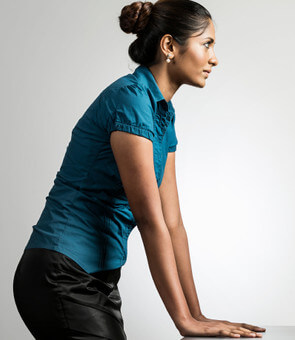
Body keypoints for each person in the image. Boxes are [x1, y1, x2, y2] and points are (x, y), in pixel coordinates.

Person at [13, 1, 265, 338]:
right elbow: (149, 219)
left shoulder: (163, 113)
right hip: (61, 274)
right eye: (207, 44)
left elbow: (172, 222)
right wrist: (183, 321)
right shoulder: (129, 100)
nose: (214, 58)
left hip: (98, 278)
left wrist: (197, 315)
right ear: (169, 47)